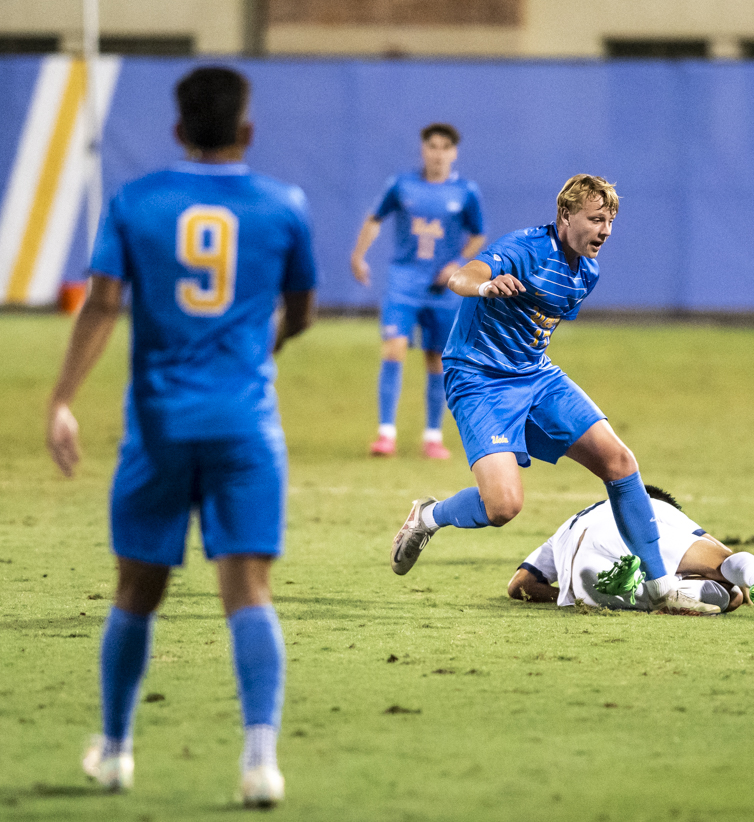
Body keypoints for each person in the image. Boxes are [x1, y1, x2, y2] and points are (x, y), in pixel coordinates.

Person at [45, 66, 317, 806]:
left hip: (159, 427)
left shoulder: (135, 202)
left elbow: (102, 306)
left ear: (175, 131)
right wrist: (260, 349)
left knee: (135, 592)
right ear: (247, 130)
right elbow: (301, 312)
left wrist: (63, 399)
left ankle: (116, 749)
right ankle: (260, 761)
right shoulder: (285, 207)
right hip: (246, 426)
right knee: (249, 589)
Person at [388, 174, 719, 615]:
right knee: (503, 506)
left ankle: (662, 586)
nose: (604, 230)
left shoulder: (587, 272)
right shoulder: (525, 249)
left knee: (619, 462)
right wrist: (485, 286)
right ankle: (427, 517)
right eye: (595, 218)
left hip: (536, 376)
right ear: (565, 215)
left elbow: (538, 325)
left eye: (610, 220)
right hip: (479, 380)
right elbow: (462, 276)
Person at [350, 123, 486, 459]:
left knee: (437, 359)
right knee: (394, 347)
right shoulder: (401, 185)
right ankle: (386, 434)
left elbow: (478, 235)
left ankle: (432, 436)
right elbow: (374, 218)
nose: (437, 153)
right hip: (404, 281)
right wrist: (358, 255)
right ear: (422, 149)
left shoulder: (466, 192)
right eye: (432, 146)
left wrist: (458, 262)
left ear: (453, 152)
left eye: (444, 147)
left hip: (443, 288)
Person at [507, 485, 754, 619]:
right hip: (637, 537)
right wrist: (741, 588)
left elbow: (519, 585)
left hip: (582, 566)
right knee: (731, 581)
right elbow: (722, 552)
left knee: (652, 592)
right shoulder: (654, 506)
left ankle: (632, 590)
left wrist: (565, 597)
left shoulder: (569, 524)